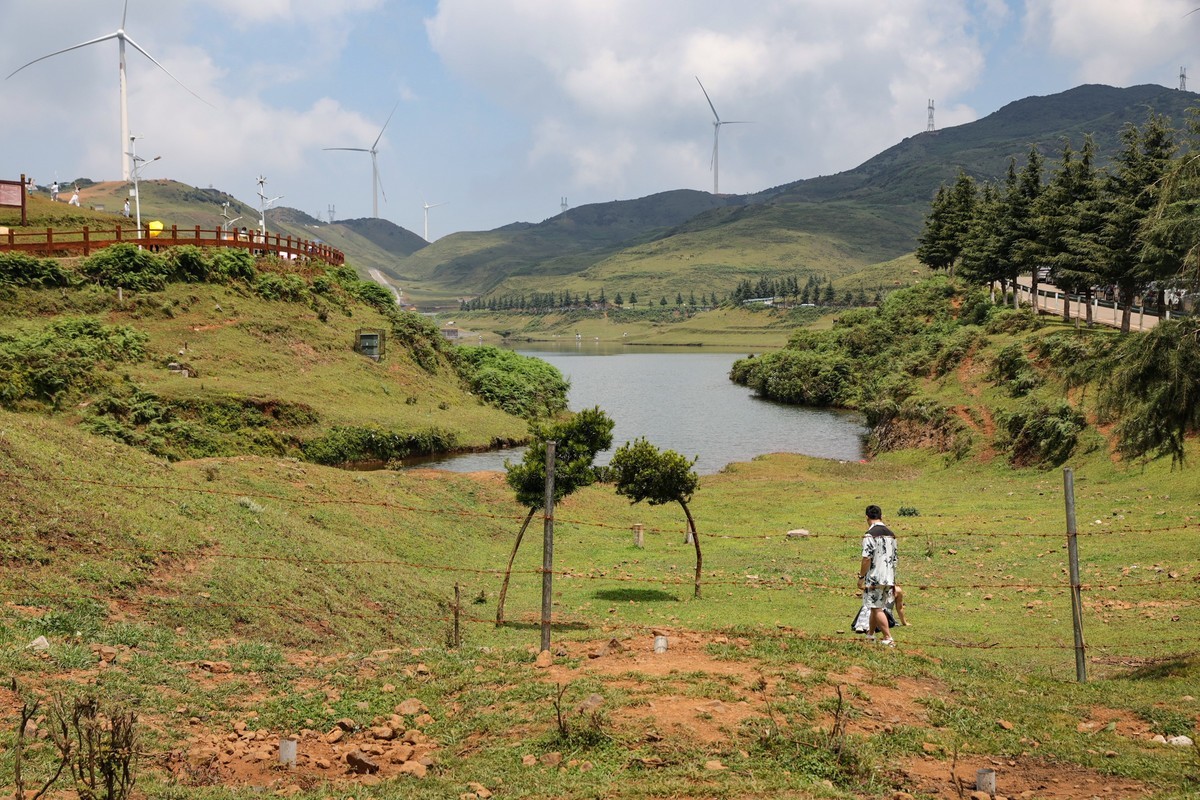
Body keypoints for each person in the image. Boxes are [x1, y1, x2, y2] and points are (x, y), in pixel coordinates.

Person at [857, 504, 899, 646]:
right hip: (889, 576)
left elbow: (866, 558)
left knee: (876, 608)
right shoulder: (891, 534)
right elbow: (895, 558)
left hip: (875, 577)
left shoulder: (870, 535)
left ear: (867, 517)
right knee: (876, 605)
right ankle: (870, 634)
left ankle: (888, 637)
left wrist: (861, 577)